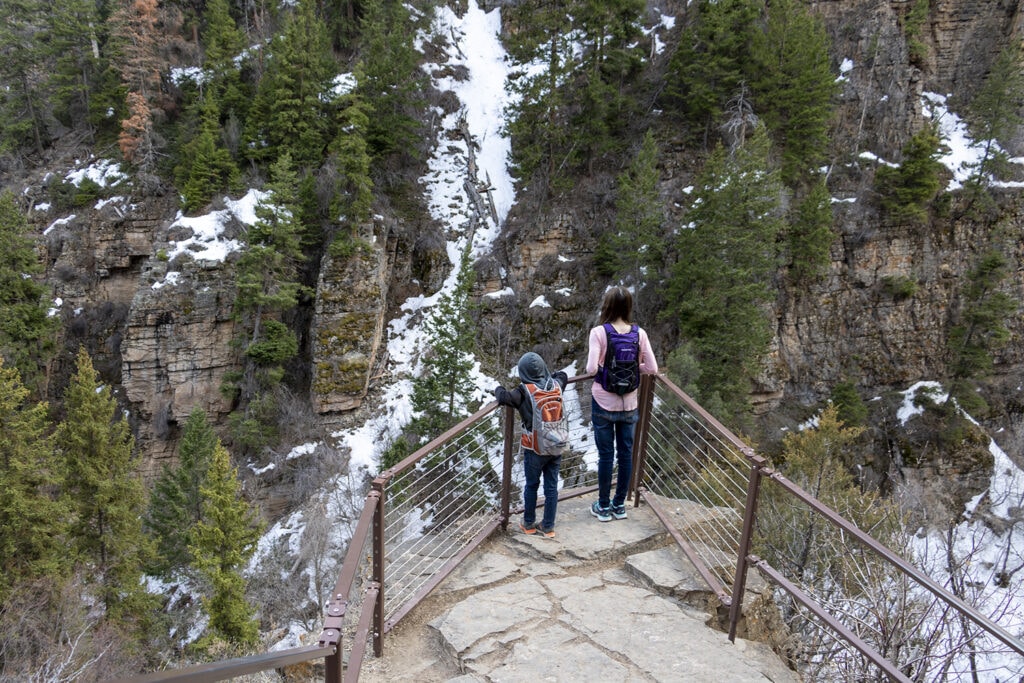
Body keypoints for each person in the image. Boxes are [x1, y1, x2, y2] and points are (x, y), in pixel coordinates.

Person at [587, 286, 658, 522]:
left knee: (606, 455)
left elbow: (590, 369)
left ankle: (603, 507)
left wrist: (610, 372)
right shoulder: (639, 334)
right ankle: (620, 506)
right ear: (628, 307)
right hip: (629, 404)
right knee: (626, 454)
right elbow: (652, 369)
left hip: (604, 402)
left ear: (607, 306)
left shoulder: (599, 332)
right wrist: (630, 372)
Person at [493, 351, 569, 538]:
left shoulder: (523, 392)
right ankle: (548, 526)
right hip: (556, 444)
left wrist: (498, 388)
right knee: (551, 487)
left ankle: (528, 523)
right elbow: (563, 375)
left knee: (532, 485)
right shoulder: (556, 385)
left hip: (535, 448)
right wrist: (550, 374)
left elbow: (504, 398)